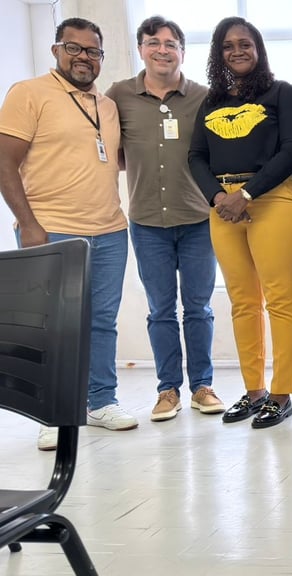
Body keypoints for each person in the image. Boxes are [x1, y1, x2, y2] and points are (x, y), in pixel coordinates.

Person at [0, 17, 139, 450]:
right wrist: (28, 224)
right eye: (73, 48)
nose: (83, 57)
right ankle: (51, 413)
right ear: (56, 50)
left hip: (111, 229)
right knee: (51, 326)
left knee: (101, 322)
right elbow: (4, 162)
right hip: (52, 228)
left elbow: (110, 158)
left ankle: (101, 401)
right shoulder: (29, 93)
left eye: (92, 51)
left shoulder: (107, 105)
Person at [188, 16, 292, 428]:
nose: (237, 51)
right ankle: (255, 391)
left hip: (273, 201)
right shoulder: (211, 102)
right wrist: (219, 197)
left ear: (258, 49)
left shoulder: (280, 93)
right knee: (243, 302)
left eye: (245, 43)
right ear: (218, 54)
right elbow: (195, 156)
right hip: (223, 207)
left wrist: (247, 194)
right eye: (228, 45)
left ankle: (281, 393)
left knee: (280, 300)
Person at [107, 16, 224, 423]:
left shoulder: (204, 97)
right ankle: (167, 390)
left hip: (197, 220)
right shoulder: (119, 95)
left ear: (182, 52)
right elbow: (113, 151)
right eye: (153, 42)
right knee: (160, 310)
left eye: (170, 43)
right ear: (140, 49)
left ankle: (202, 386)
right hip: (146, 223)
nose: (162, 50)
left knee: (198, 308)